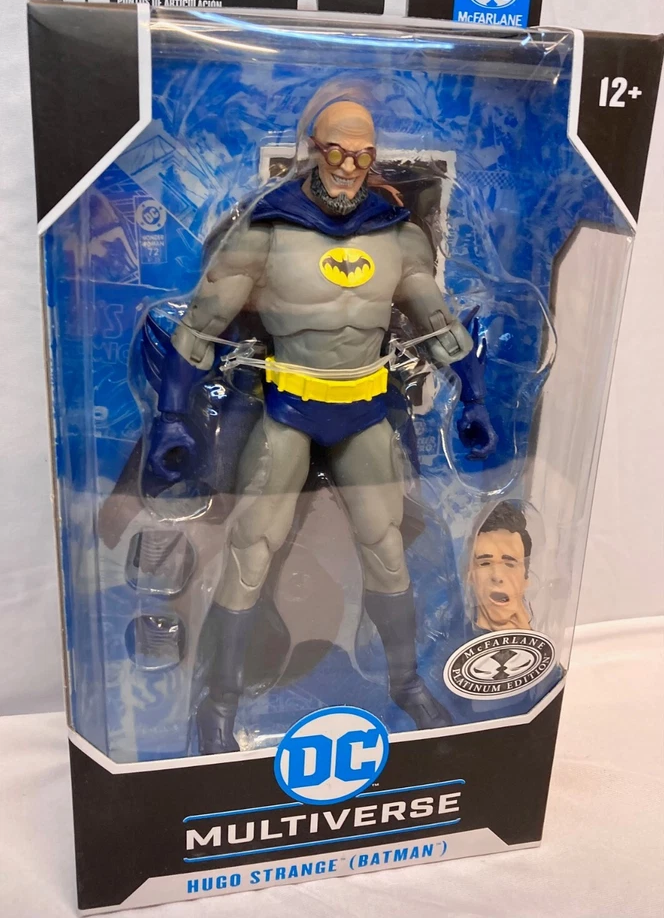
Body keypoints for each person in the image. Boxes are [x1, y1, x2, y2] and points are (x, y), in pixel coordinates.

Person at [148, 97, 497, 753]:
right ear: (314, 147)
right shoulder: (267, 232)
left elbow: (438, 321)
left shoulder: (397, 235)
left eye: (363, 155)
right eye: (337, 151)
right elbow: (200, 327)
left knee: (386, 547)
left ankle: (406, 684)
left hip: (364, 409)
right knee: (251, 549)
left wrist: (473, 395)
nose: (348, 167)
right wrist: (171, 415)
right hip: (288, 408)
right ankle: (218, 703)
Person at [468, 502, 533, 632]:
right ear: (470, 577)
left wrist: (526, 636)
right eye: (485, 563)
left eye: (509, 564)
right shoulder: (454, 637)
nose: (497, 576)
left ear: (525, 579)